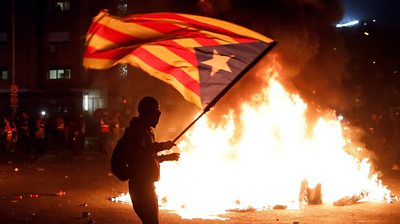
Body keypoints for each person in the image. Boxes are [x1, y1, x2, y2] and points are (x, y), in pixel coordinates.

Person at [125, 96, 179, 224]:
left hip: (146, 184)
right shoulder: (138, 131)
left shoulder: (146, 130)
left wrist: (166, 158)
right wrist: (162, 146)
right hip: (141, 186)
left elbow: (146, 159)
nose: (158, 116)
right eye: (156, 112)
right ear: (148, 113)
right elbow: (140, 153)